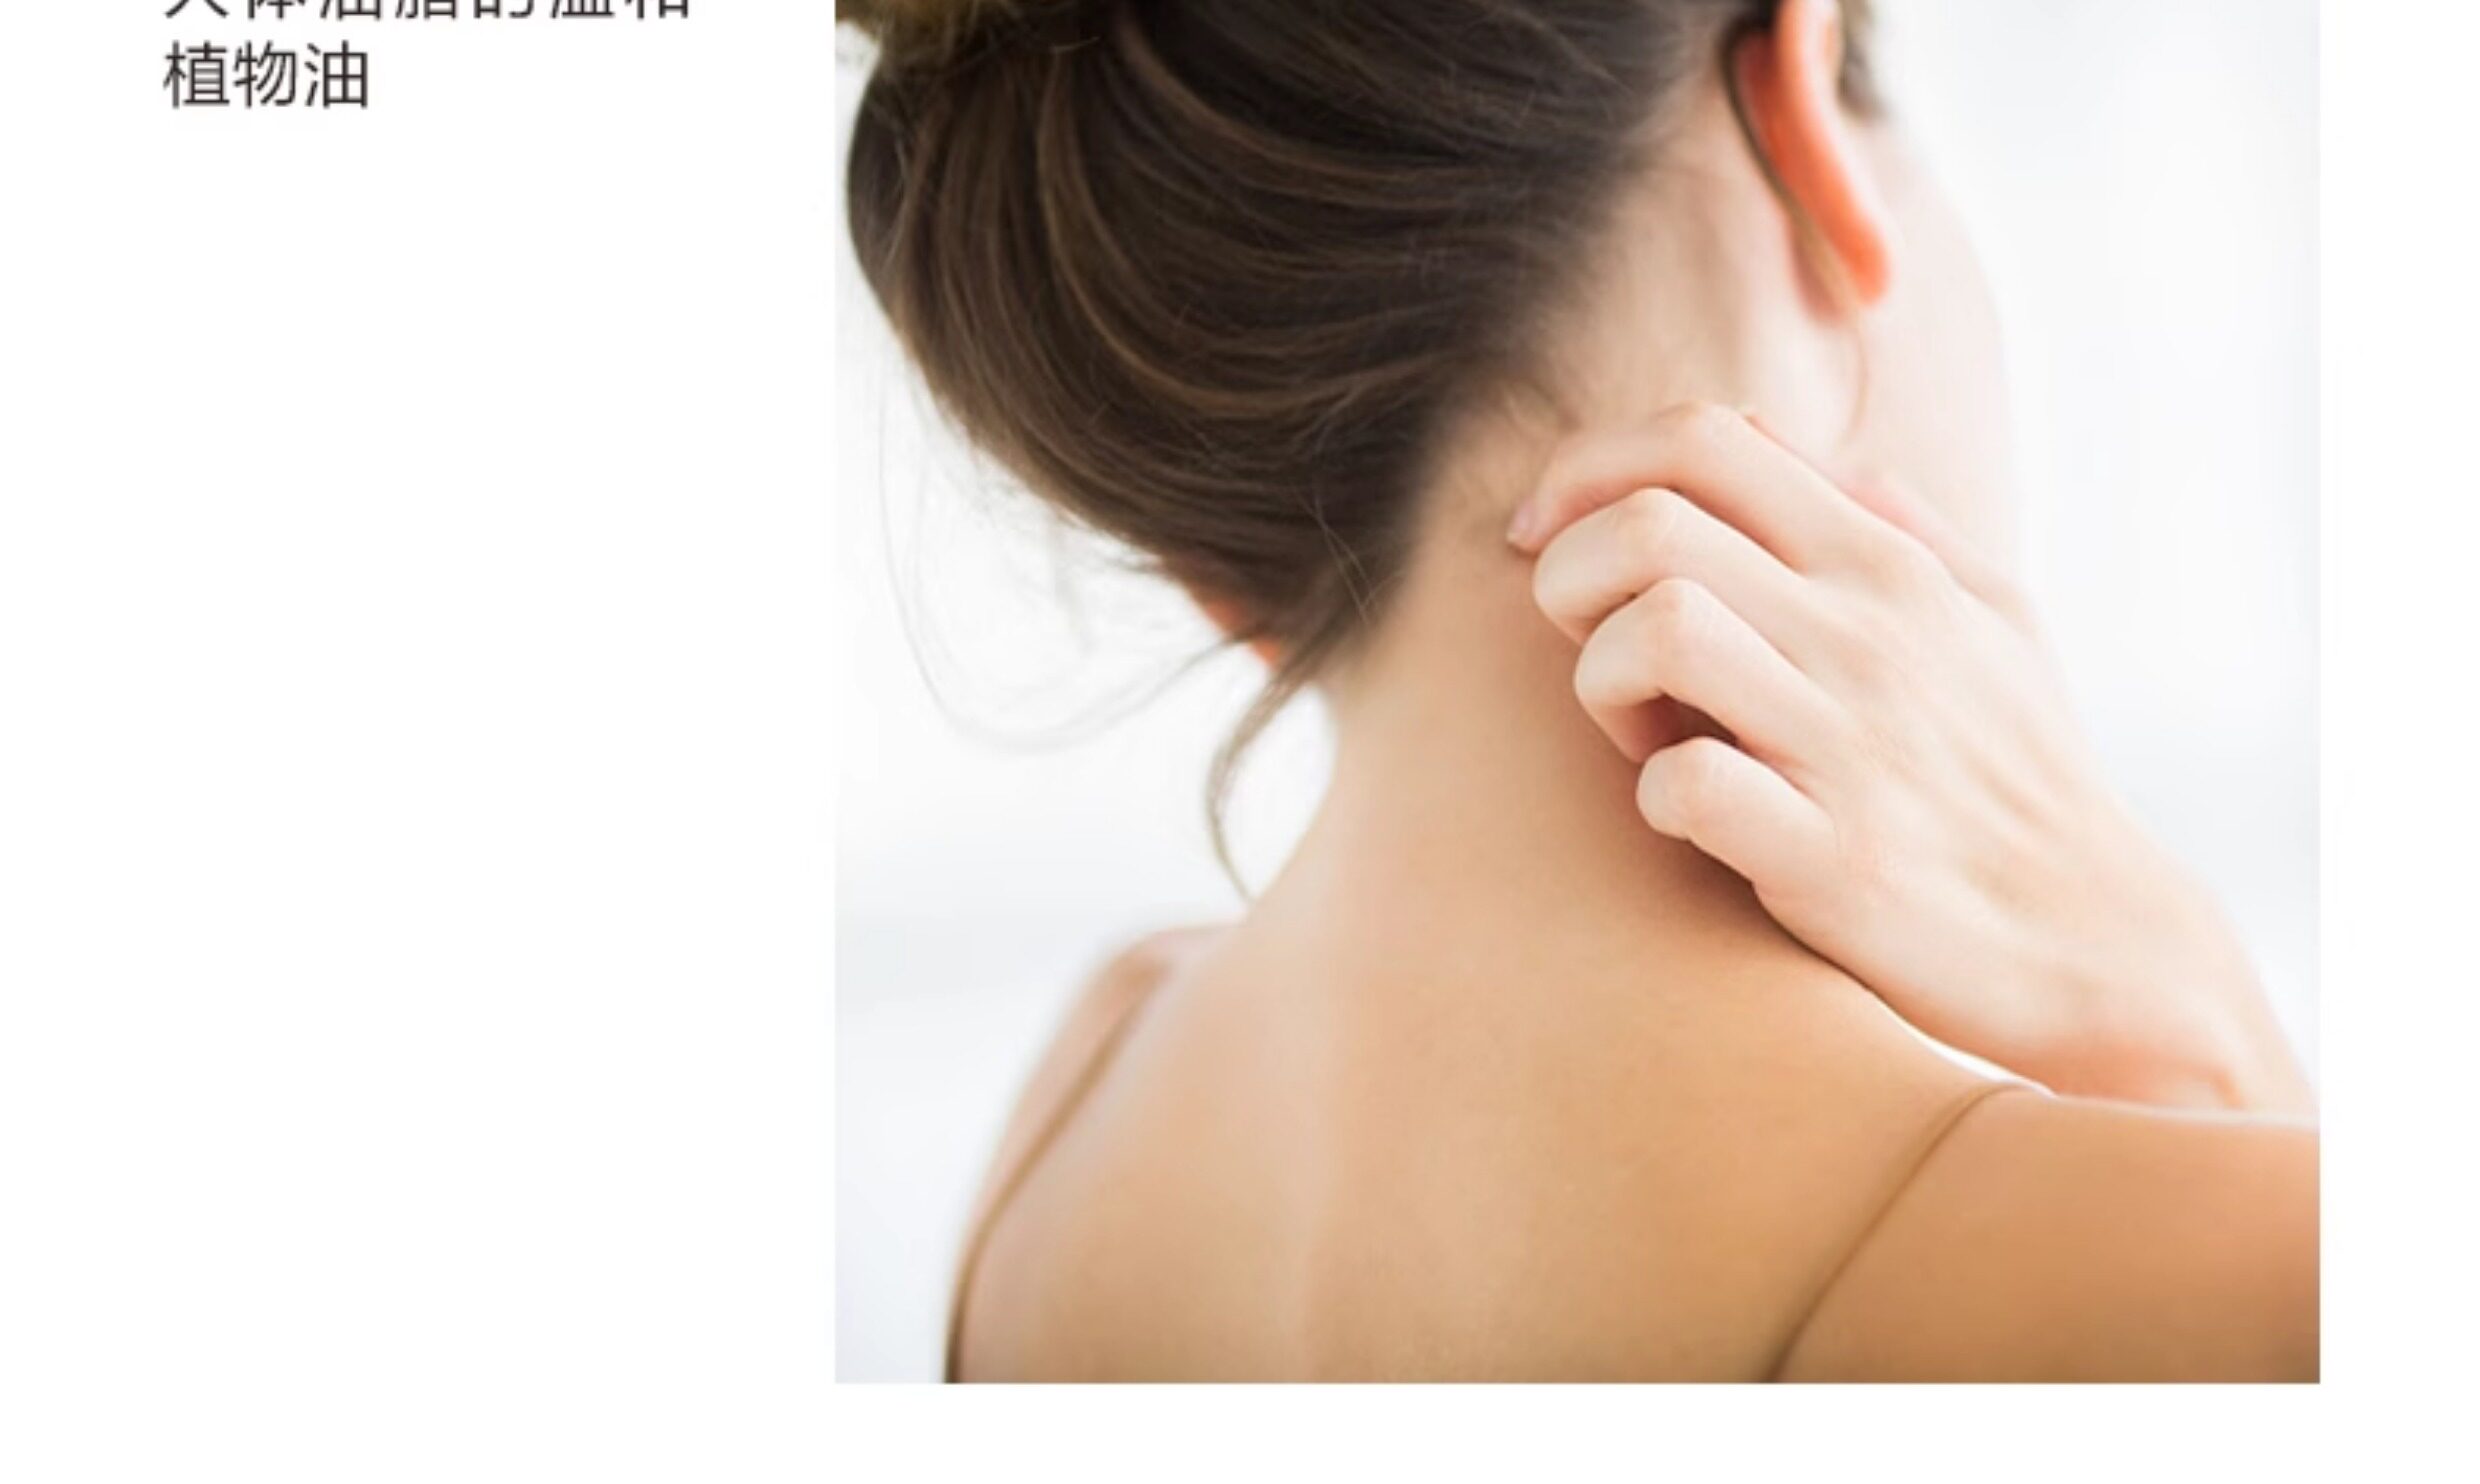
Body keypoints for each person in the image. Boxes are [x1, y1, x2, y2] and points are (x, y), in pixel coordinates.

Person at [840, 0, 2318, 1380]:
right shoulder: (2251, 1271)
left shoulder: (1069, 1125)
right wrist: (2191, 1016)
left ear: (1215, 574)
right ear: (1801, 104)